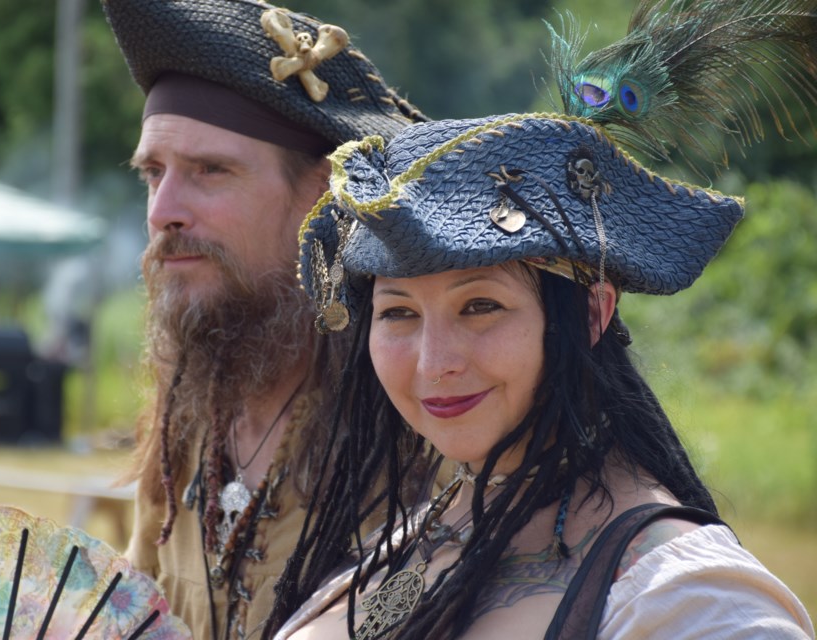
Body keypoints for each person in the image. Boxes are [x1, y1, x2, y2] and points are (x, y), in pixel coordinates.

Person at [263, 3, 817, 638]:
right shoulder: (428, 526)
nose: (433, 361)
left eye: (481, 306)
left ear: (590, 313)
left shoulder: (689, 600)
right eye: (397, 313)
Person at [101, 1, 427, 638]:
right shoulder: (187, 420)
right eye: (153, 174)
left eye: (210, 171)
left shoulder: (423, 419)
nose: (163, 212)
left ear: (322, 198)